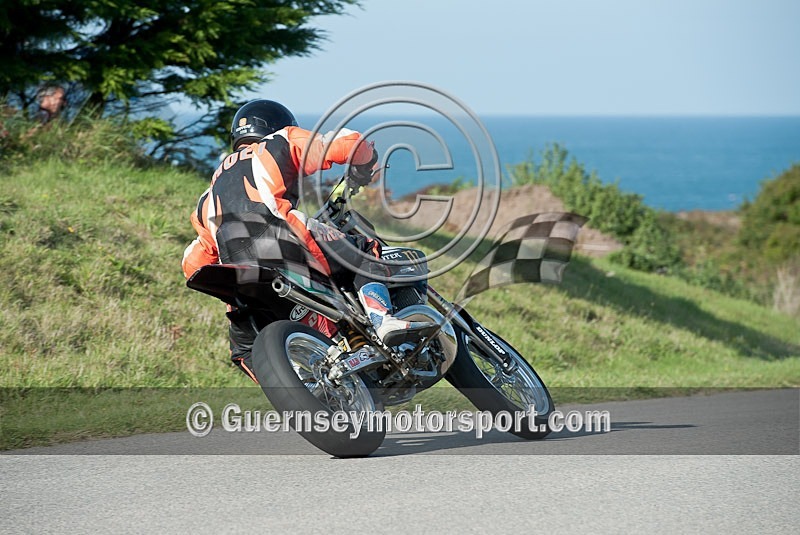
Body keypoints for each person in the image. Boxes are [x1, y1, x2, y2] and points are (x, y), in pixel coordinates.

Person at [182, 99, 432, 382]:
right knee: (365, 251)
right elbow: (347, 144)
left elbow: (194, 262)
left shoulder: (207, 196)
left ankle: (301, 383)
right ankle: (382, 320)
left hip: (239, 274)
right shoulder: (280, 141)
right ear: (277, 125)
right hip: (285, 240)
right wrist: (365, 163)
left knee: (245, 350)